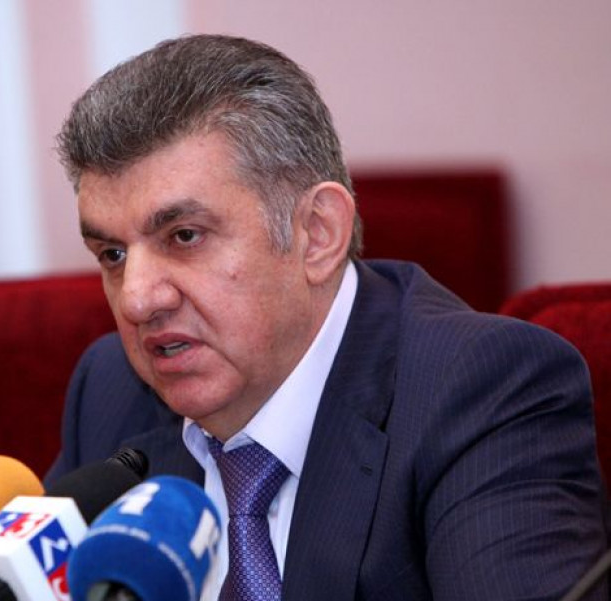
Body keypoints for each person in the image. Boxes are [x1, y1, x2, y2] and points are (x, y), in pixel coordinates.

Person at [45, 34, 608, 600]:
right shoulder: (110, 391)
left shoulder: (480, 389)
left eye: (185, 236)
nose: (137, 300)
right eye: (112, 254)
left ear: (317, 233)